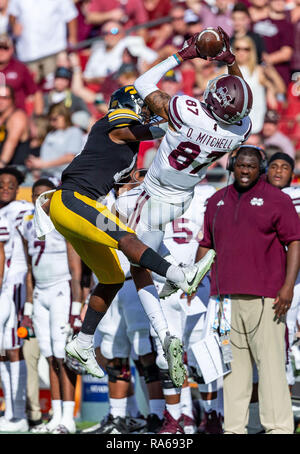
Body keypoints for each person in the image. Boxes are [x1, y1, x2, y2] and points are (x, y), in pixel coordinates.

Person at [38, 84, 211, 390]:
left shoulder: (125, 149)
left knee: (112, 277)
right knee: (127, 240)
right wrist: (183, 126)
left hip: (82, 205)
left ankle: (83, 341)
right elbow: (148, 132)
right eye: (143, 107)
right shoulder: (112, 122)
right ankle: (179, 275)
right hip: (73, 199)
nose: (146, 113)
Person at [131, 26, 252, 302]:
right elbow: (242, 101)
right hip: (183, 197)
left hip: (156, 193)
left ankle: (180, 275)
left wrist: (182, 55)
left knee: (134, 255)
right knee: (147, 244)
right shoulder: (238, 132)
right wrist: (230, 61)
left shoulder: (187, 110)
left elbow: (142, 84)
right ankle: (180, 272)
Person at [196, 145, 300, 434]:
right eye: (240, 165)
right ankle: (234, 428)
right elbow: (206, 244)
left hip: (268, 297)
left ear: (260, 169)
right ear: (231, 166)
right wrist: (193, 283)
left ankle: (279, 428)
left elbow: (295, 241)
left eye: (251, 166)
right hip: (225, 298)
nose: (245, 170)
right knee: (233, 369)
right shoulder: (216, 200)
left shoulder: (277, 199)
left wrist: (288, 286)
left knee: (270, 368)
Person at [19, 178, 82, 434]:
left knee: (62, 355)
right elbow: (29, 269)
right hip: (42, 292)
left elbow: (75, 267)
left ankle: (69, 416)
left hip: (60, 289)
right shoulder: (27, 226)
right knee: (48, 354)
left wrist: (76, 306)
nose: (41, 200)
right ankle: (56, 416)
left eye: (45, 195)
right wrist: (29, 305)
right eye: (36, 195)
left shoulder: (61, 221)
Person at [0, 166, 33, 433]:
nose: (5, 187)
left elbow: (31, 241)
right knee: (3, 350)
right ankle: (11, 412)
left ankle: (18, 414)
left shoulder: (21, 208)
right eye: (1, 184)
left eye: (10, 183)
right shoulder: (2, 212)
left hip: (16, 282)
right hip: (6, 285)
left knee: (12, 347)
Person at [266, 152, 300, 396]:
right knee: (281, 334)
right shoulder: (258, 195)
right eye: (274, 166)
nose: (278, 171)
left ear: (292, 173)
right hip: (273, 274)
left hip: (296, 277)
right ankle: (285, 399)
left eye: (284, 167)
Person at [8, 0, 78, 85]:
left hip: (52, 51)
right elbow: (12, 13)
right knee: (31, 87)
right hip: (28, 54)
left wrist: (72, 38)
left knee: (53, 86)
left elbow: (70, 15)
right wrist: (14, 24)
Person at [26, 102, 85, 181]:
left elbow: (70, 157)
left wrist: (44, 164)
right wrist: (36, 162)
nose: (52, 123)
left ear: (64, 116)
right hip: (47, 176)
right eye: (50, 119)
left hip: (64, 178)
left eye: (54, 119)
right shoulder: (51, 133)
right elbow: (48, 157)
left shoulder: (74, 132)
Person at [0, 33, 43, 114]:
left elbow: (36, 92)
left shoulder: (20, 68)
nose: (1, 51)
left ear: (12, 49)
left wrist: (38, 117)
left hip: (18, 115)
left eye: (5, 48)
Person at [0, 85, 31, 167]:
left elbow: (11, 143)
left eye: (5, 98)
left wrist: (1, 164)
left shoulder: (18, 117)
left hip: (16, 170)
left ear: (12, 99)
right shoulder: (2, 117)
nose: (1, 101)